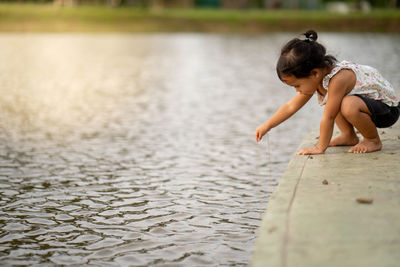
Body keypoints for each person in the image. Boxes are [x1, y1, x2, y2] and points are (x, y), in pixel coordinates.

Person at [255, 30, 399, 155]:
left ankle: (372, 140)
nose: (297, 90)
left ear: (314, 73)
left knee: (347, 104)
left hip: (387, 110)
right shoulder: (317, 80)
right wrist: (267, 126)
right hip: (367, 108)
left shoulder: (339, 78)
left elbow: (328, 117)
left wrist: (320, 147)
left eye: (297, 85)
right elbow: (290, 106)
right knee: (335, 102)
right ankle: (348, 135)